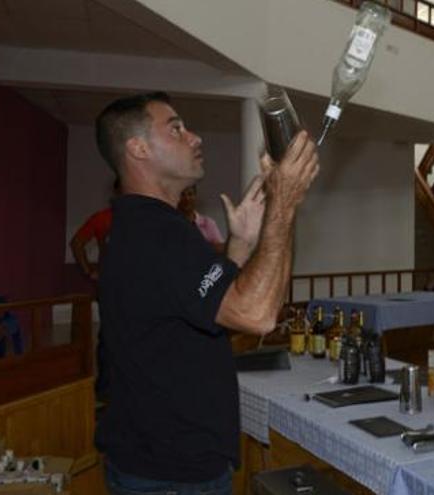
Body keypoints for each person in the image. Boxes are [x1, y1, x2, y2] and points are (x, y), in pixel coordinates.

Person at [94, 92, 318, 495]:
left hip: (160, 462)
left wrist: (240, 246)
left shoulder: (146, 228)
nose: (194, 137)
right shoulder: (158, 235)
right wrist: (283, 202)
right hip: (171, 475)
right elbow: (258, 315)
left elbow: (204, 313)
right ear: (138, 148)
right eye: (176, 129)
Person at [70, 180, 119, 282]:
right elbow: (76, 243)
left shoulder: (142, 218)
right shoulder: (102, 218)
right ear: (116, 192)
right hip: (109, 281)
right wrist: (89, 272)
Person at [178, 184, 225, 251]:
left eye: (190, 194)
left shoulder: (208, 223)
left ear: (195, 197)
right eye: (182, 195)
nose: (187, 198)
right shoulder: (171, 222)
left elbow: (220, 248)